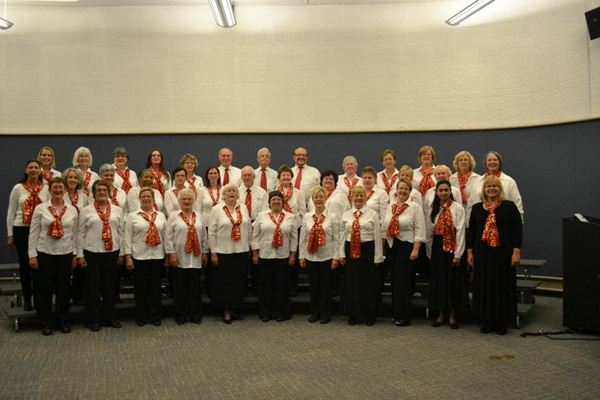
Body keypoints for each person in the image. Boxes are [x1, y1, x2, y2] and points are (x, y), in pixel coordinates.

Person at [467, 175, 522, 335]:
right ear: (484, 189)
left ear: (500, 189)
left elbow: (517, 231)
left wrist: (516, 252)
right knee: (484, 286)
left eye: (494, 186)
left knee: (501, 286)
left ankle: (501, 321)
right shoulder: (477, 208)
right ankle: (487, 320)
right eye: (488, 186)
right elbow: (472, 232)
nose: (491, 189)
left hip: (503, 254)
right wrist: (470, 252)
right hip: (482, 254)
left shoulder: (509, 206)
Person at [28, 177, 78, 335]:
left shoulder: (72, 210)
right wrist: (32, 254)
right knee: (45, 289)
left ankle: (63, 321)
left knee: (64, 289)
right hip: (45, 252)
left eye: (60, 187)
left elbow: (75, 234)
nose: (58, 190)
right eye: (55, 187)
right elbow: (34, 232)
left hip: (65, 253)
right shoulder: (40, 208)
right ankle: (46, 322)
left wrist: (75, 254)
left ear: (65, 190)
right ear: (49, 190)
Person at [77, 180, 125, 332]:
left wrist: (122, 253)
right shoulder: (86, 210)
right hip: (92, 252)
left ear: (109, 192)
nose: (102, 192)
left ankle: (109, 317)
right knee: (93, 287)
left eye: (104, 190)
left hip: (112, 252)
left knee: (110, 287)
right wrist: (80, 255)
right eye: (99, 190)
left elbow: (121, 232)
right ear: (94, 193)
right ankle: (93, 319)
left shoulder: (117, 210)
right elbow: (80, 233)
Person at [7, 160, 49, 311]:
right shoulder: (18, 188)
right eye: (30, 167)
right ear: (26, 170)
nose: (33, 170)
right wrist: (10, 234)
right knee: (25, 265)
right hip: (21, 229)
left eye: (36, 167)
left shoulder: (46, 188)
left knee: (39, 265)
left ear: (40, 170)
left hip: (40, 230)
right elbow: (11, 211)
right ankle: (27, 299)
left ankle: (39, 299)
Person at [382, 180, 426, 326]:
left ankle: (404, 315)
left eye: (406, 189)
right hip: (392, 245)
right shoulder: (391, 206)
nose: (402, 191)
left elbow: (420, 229)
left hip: (407, 246)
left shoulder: (414, 207)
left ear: (410, 191)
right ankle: (396, 313)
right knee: (395, 281)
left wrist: (416, 248)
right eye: (400, 188)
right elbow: (385, 226)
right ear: (396, 190)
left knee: (404, 282)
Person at [339, 186, 384, 326]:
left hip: (367, 250)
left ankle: (369, 314)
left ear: (366, 198)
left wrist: (378, 256)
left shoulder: (372, 214)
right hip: (350, 250)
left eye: (361, 195)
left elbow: (377, 236)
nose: (358, 198)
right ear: (352, 197)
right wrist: (341, 254)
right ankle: (353, 313)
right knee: (352, 282)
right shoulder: (346, 215)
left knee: (367, 283)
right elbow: (342, 235)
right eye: (356, 195)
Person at [208, 184, 252, 324]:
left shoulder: (243, 208)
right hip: (223, 252)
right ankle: (226, 310)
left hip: (241, 250)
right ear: (224, 194)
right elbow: (212, 232)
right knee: (225, 283)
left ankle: (234, 308)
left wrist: (249, 246)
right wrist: (213, 252)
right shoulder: (216, 209)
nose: (231, 193)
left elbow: (248, 228)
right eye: (228, 191)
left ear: (237, 194)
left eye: (234, 191)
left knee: (238, 282)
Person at [251, 191, 298, 322]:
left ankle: (280, 312)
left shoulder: (290, 217)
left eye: (279, 200)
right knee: (265, 285)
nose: (276, 202)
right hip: (265, 255)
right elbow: (255, 236)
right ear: (269, 202)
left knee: (281, 285)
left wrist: (293, 254)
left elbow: (294, 238)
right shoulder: (261, 216)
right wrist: (255, 253)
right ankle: (265, 312)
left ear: (282, 202)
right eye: (273, 200)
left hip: (283, 256)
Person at [124, 187, 167, 326]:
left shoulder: (160, 216)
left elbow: (165, 237)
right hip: (139, 257)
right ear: (140, 199)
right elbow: (127, 238)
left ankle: (155, 315)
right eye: (144, 196)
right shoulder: (132, 216)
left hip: (157, 256)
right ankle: (141, 316)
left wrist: (167, 255)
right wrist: (128, 257)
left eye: (149, 196)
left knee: (155, 288)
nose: (146, 199)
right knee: (140, 289)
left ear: (153, 199)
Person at [426, 180, 466, 329]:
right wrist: (430, 254)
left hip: (452, 247)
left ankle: (452, 315)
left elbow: (460, 231)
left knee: (452, 281)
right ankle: (441, 314)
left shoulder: (457, 208)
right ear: (437, 192)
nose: (443, 193)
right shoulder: (433, 209)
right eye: (441, 190)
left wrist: (458, 254)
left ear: (450, 191)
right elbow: (429, 233)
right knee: (440, 281)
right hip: (438, 248)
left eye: (446, 190)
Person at [165, 188, 207, 325]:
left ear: (193, 201)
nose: (187, 201)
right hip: (179, 257)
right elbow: (168, 237)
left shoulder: (199, 216)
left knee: (195, 288)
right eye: (184, 199)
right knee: (180, 289)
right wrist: (171, 254)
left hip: (196, 258)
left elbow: (204, 237)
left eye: (189, 199)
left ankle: (195, 314)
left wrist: (205, 252)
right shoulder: (173, 217)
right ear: (179, 201)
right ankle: (181, 315)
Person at [299, 187, 340, 324]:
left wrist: (336, 257)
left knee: (326, 287)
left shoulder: (332, 217)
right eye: (316, 197)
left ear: (325, 198)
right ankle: (314, 312)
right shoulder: (307, 217)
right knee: (314, 287)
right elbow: (303, 238)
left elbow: (336, 238)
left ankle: (325, 313)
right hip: (311, 257)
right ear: (312, 199)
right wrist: (301, 256)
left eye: (321, 197)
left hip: (327, 257)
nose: (318, 199)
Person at [468, 151, 524, 223]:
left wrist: (519, 221)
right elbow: (471, 203)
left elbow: (517, 203)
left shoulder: (509, 181)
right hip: (481, 221)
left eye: (495, 160)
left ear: (499, 162)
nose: (492, 162)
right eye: (489, 160)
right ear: (485, 163)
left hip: (503, 221)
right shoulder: (477, 181)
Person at [63, 167, 88, 305]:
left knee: (80, 267)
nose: (72, 180)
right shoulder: (60, 194)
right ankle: (65, 298)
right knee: (66, 268)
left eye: (75, 177)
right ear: (65, 179)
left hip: (81, 233)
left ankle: (78, 297)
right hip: (65, 233)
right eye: (70, 177)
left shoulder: (83, 196)